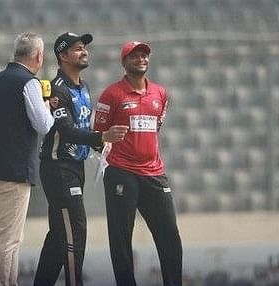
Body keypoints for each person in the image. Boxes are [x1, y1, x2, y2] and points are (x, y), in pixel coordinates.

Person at [33, 32, 128, 286]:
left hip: (75, 167)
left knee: (58, 236)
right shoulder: (56, 90)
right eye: (77, 49)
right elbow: (65, 131)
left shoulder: (82, 87)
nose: (84, 51)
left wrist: (101, 146)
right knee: (76, 230)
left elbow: (81, 127)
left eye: (84, 47)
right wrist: (101, 136)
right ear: (63, 56)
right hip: (58, 168)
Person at [93, 41, 182, 286]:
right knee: (121, 239)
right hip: (121, 172)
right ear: (124, 63)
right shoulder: (111, 95)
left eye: (144, 55)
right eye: (134, 56)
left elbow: (157, 127)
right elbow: (97, 134)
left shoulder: (160, 94)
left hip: (154, 173)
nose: (141, 59)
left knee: (170, 236)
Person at [0, 32, 54, 286]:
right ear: (38, 56)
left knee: (9, 236)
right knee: (7, 240)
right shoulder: (29, 83)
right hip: (14, 173)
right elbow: (43, 125)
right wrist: (48, 107)